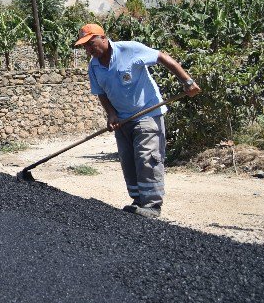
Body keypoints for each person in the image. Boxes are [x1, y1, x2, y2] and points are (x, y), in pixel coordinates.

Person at [75, 23, 202, 218]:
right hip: (122, 121)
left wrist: (187, 81)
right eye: (85, 46)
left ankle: (152, 205)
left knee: (147, 158)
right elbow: (100, 92)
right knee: (128, 161)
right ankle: (138, 201)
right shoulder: (94, 66)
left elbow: (162, 57)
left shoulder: (130, 49)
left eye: (91, 44)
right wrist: (111, 114)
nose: (89, 49)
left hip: (147, 114)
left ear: (103, 38)